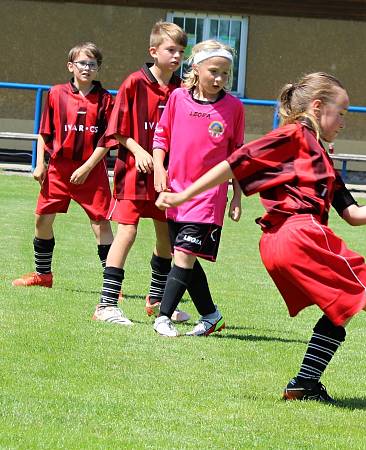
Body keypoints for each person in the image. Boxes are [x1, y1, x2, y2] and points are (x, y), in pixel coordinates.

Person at [155, 72, 366, 423]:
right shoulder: (294, 135)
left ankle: (305, 383)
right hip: (300, 236)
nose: (344, 122)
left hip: (279, 244)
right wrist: (182, 195)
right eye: (342, 112)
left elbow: (352, 213)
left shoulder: (319, 153)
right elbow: (236, 162)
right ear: (318, 107)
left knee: (339, 311)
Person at [92, 21, 189, 325]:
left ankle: (158, 300)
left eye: (181, 51)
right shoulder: (134, 82)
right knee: (128, 232)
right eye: (171, 49)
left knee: (166, 239)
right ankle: (106, 304)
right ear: (153, 51)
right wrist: (139, 150)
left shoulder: (181, 90)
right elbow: (117, 131)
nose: (176, 56)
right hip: (133, 172)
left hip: (166, 177)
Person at [150, 40, 245, 337]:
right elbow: (161, 137)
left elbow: (238, 157)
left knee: (183, 255)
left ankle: (163, 318)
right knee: (183, 254)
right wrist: (159, 169)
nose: (219, 79)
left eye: (225, 74)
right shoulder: (178, 98)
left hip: (208, 197)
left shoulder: (234, 108)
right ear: (196, 68)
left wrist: (237, 196)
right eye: (214, 71)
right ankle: (211, 316)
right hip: (176, 192)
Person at [12, 42, 115, 288]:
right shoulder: (56, 94)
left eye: (92, 64)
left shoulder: (105, 100)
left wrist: (87, 167)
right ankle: (43, 276)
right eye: (82, 63)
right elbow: (44, 132)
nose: (87, 68)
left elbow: (107, 140)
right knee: (42, 220)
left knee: (100, 222)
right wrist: (40, 165)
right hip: (59, 168)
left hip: (91, 169)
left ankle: (113, 285)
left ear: (98, 68)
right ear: (71, 66)